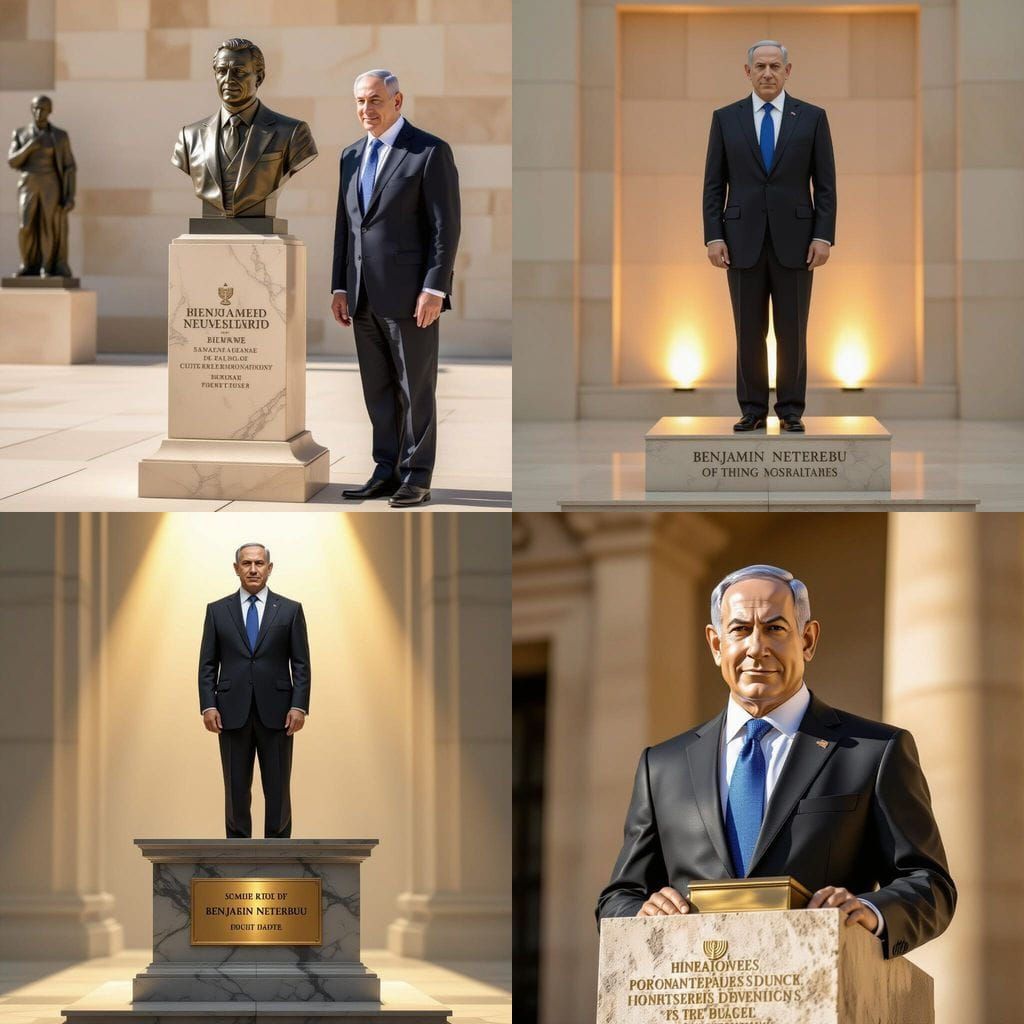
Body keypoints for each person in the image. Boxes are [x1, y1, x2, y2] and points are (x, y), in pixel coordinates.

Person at [596, 564, 955, 959]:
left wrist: (868, 911)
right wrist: (641, 911)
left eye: (775, 628)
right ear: (716, 645)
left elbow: (929, 885)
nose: (756, 647)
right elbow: (619, 896)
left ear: (807, 639)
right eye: (739, 630)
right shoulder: (661, 766)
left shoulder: (875, 750)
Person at [331, 69, 461, 508]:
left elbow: (446, 228)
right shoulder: (350, 156)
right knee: (378, 389)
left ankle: (417, 475)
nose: (366, 110)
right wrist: (339, 285)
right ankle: (385, 469)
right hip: (362, 295)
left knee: (415, 389)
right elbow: (345, 229)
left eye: (375, 101)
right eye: (360, 102)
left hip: (411, 297)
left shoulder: (428, 151)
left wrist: (435, 288)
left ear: (398, 101)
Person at [702, 42, 837, 434]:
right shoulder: (726, 119)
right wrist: (713, 236)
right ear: (747, 72)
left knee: (792, 330)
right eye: (759, 66)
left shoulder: (811, 118)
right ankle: (753, 409)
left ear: (788, 70)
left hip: (797, 242)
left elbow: (825, 185)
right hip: (740, 240)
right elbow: (714, 184)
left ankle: (791, 410)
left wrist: (823, 236)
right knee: (748, 329)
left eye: (774, 66)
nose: (767, 73)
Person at [198, 543, 310, 838]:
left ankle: (280, 854)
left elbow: (301, 664)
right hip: (231, 712)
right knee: (235, 788)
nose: (253, 569)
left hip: (278, 714)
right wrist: (208, 705)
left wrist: (299, 706)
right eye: (246, 563)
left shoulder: (290, 610)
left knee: (278, 788)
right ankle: (237, 853)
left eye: (259, 563)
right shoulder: (217, 611)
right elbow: (208, 663)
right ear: (236, 568)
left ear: (269, 568)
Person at [172, 38, 317, 219]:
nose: (228, 80)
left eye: (238, 72)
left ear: (259, 77)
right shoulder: (189, 136)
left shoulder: (292, 132)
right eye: (221, 71)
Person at [7, 95, 76, 277]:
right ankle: (28, 264)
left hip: (50, 183)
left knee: (48, 224)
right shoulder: (20, 133)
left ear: (50, 111)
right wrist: (30, 147)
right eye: (36, 108)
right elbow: (12, 161)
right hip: (28, 182)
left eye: (43, 109)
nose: (39, 112)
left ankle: (46, 265)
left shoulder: (59, 136)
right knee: (25, 225)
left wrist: (70, 195)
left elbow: (69, 166)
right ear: (31, 109)